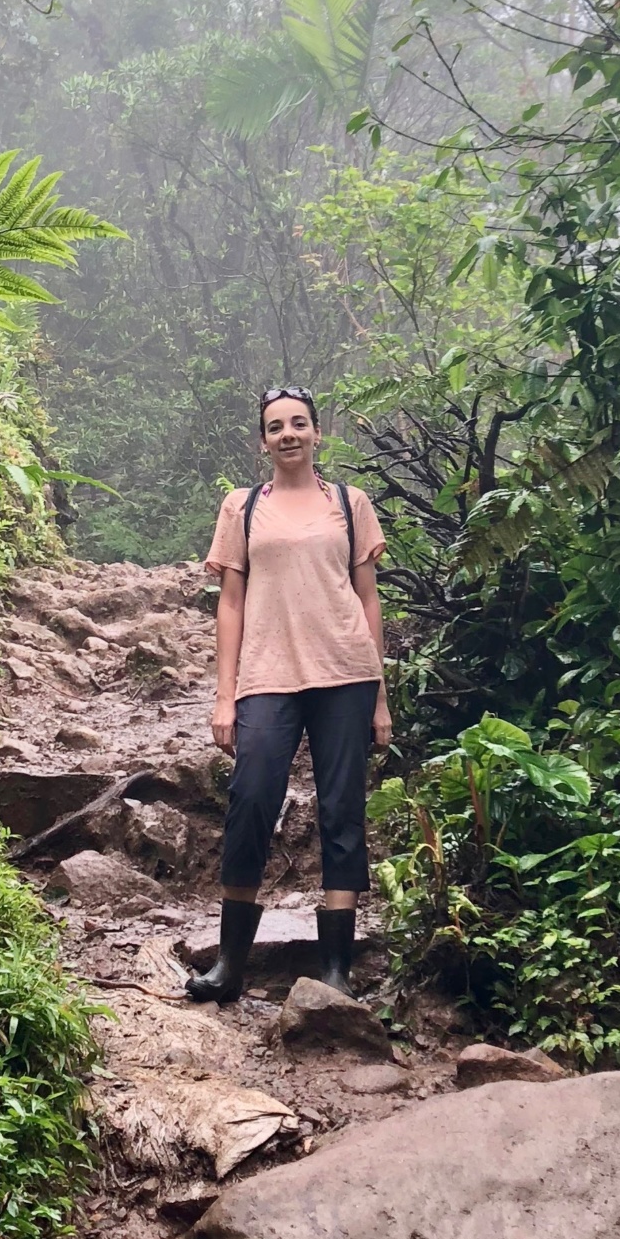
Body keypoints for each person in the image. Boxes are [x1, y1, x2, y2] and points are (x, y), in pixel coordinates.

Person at [186, 386, 389, 1005]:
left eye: (299, 423)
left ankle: (335, 970)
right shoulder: (242, 508)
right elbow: (230, 604)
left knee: (341, 814)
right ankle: (229, 964)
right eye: (276, 427)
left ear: (317, 433)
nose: (289, 434)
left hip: (346, 674)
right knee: (250, 803)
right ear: (263, 441)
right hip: (268, 676)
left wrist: (380, 696)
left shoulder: (350, 505)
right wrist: (225, 697)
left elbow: (369, 598)